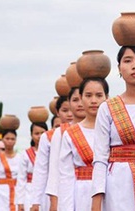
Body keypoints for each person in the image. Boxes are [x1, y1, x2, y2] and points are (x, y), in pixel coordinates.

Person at [91, 46, 135, 210]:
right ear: (119, 68)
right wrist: (96, 199)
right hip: (118, 187)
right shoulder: (108, 108)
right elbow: (100, 158)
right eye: (128, 61)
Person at [59, 78, 109, 210]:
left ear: (107, 97)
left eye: (99, 95)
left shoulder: (115, 131)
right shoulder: (70, 134)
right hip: (82, 196)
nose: (94, 101)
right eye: (88, 95)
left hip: (110, 192)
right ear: (81, 98)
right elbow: (66, 177)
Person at [46, 89, 81, 211]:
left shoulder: (103, 127)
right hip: (71, 189)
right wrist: (54, 200)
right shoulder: (61, 133)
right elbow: (54, 170)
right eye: (75, 100)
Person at [30, 109, 67, 211]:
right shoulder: (51, 138)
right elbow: (41, 171)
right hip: (51, 190)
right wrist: (35, 201)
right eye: (57, 126)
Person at [0, 129, 21, 211]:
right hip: (1, 193)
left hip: (16, 191)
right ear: (3, 139)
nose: (10, 141)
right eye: (7, 138)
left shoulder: (20, 157)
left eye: (12, 139)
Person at [16, 121, 48, 211]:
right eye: (36, 133)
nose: (40, 136)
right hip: (30, 191)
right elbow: (21, 178)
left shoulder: (51, 152)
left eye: (42, 133)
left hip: (47, 190)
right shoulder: (25, 154)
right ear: (31, 135)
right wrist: (20, 201)